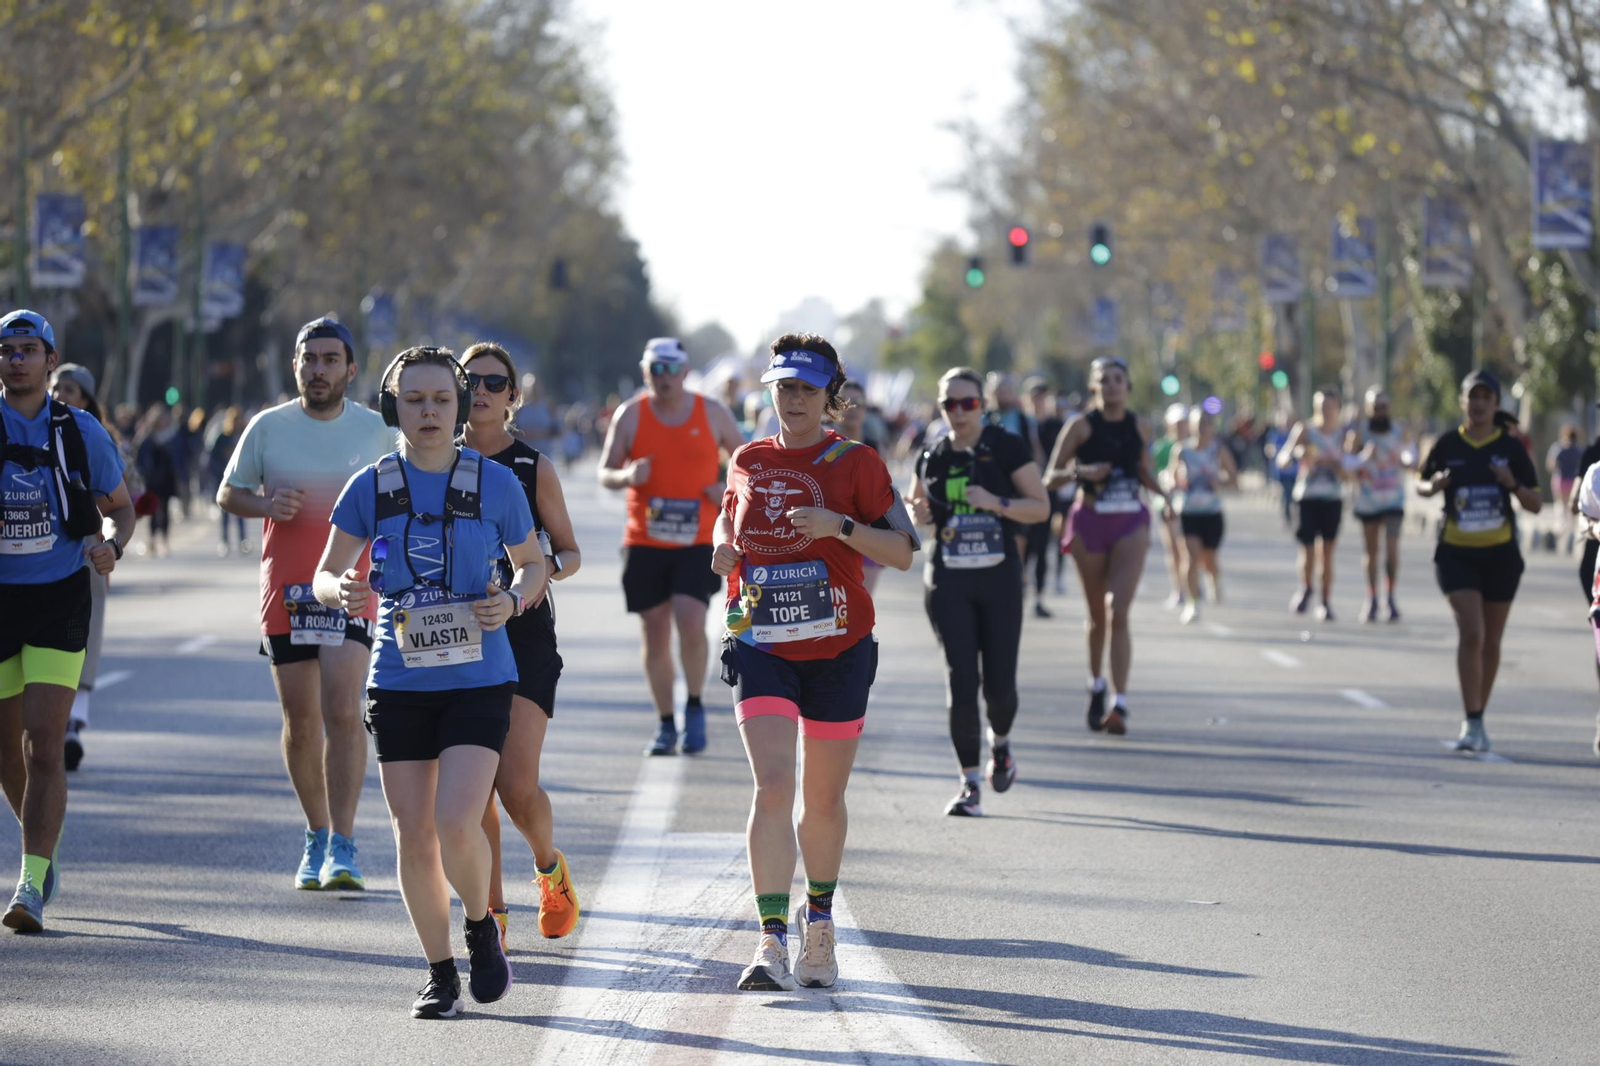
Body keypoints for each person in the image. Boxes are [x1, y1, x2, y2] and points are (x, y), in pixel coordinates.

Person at [315, 345, 542, 1018]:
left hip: (479, 678)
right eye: (413, 400)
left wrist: (514, 599)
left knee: (456, 819)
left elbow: (532, 564)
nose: (429, 412)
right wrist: (340, 591)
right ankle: (440, 974)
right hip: (399, 681)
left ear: (461, 404)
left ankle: (479, 925)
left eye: (442, 399)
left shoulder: (496, 484)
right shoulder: (371, 486)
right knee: (413, 833)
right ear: (394, 408)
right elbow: (325, 573)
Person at [713, 333, 917, 991]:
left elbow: (904, 550)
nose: (793, 399)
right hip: (761, 642)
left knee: (823, 799)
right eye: (784, 387)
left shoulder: (857, 462)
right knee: (773, 786)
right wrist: (721, 548)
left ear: (830, 396)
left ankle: (820, 924)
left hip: (839, 648)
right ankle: (770, 937)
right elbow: (727, 521)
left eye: (806, 388)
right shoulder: (748, 457)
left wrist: (840, 527)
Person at [219, 317, 396, 891]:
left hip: (351, 590)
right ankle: (316, 832)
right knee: (300, 724)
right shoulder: (267, 426)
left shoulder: (377, 430)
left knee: (343, 710)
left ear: (350, 368)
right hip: (289, 593)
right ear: (295, 365)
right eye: (308, 359)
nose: (318, 369)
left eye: (329, 359)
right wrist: (266, 505)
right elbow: (228, 493)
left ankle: (343, 844)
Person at [0, 310, 135, 933]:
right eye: (7, 350)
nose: (16, 359)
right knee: (7, 750)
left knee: (44, 742)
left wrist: (113, 545)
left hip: (59, 598)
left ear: (50, 360)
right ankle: (42, 846)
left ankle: (29, 882)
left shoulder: (79, 430)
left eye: (28, 349)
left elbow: (121, 508)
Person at [459, 342, 583, 951]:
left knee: (514, 785)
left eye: (493, 382)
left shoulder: (533, 468)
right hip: (456, 638)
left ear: (513, 396)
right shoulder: (435, 460)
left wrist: (535, 571)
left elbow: (571, 552)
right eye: (470, 381)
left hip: (524, 634)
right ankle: (493, 919)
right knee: (472, 789)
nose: (480, 391)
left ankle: (549, 868)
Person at [908, 368, 1048, 816]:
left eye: (968, 403)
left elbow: (1040, 507)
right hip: (948, 579)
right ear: (941, 407)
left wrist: (996, 503)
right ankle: (969, 782)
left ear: (982, 405)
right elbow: (914, 512)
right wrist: (919, 515)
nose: (959, 411)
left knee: (1000, 690)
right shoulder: (932, 454)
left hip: (998, 577)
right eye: (950, 403)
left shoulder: (1006, 446)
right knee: (961, 680)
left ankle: (1000, 743)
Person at [598, 337, 745, 757]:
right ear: (646, 373)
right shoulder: (631, 414)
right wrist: (628, 476)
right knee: (655, 631)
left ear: (684, 372)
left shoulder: (711, 412)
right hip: (645, 539)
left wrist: (724, 488)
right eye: (655, 370)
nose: (664, 378)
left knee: (691, 620)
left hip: (696, 539)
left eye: (671, 369)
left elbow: (746, 463)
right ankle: (665, 722)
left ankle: (694, 706)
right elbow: (605, 471)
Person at [1044, 357, 1170, 736]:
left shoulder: (1140, 425)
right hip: (1089, 521)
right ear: (1093, 387)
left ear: (1128, 386)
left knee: (1120, 610)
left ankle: (1120, 702)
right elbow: (1049, 477)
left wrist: (1165, 497)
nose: (1112, 385)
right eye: (1104, 380)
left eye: (1118, 379)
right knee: (1097, 614)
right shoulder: (1080, 426)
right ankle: (1096, 684)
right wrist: (1081, 472)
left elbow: (1144, 469)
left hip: (1130, 520)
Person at [1416, 370, 1540, 754]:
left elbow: (1536, 503)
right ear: (1463, 401)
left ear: (1496, 403)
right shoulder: (1447, 443)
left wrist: (1511, 483)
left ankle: (1478, 718)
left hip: (1501, 555)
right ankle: (1470, 721)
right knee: (1473, 632)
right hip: (1456, 553)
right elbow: (1420, 482)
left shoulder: (1511, 448)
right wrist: (1434, 485)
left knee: (1492, 641)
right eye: (1473, 396)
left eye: (1486, 397)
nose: (1479, 404)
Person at [47, 363, 124, 772]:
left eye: (70, 389)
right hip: (30, 560)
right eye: (56, 386)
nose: (60, 394)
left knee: (83, 640)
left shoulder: (95, 436)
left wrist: (110, 543)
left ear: (87, 399)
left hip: (87, 553)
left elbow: (127, 498)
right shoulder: (27, 428)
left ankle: (72, 726)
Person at [1279, 388, 1346, 621]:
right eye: (1320, 407)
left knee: (1327, 554)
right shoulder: (1305, 430)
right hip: (1306, 496)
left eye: (1329, 407)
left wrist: (1336, 465)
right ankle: (1306, 587)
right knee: (1307, 551)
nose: (1325, 412)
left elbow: (1351, 468)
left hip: (1332, 498)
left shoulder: (1344, 435)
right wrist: (1298, 454)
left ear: (1337, 408)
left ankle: (1325, 601)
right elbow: (1283, 458)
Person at [1349, 388, 1411, 622]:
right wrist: (1364, 457)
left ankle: (1390, 596)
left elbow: (1410, 455)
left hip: (1394, 498)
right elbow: (1347, 463)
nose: (1380, 412)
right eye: (1375, 407)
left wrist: (1406, 460)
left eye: (1384, 407)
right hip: (1368, 499)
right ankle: (1372, 598)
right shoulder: (1359, 432)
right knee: (1371, 551)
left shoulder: (1398, 430)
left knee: (1392, 549)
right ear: (1368, 409)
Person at [1171, 406, 1237, 625]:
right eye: (1198, 423)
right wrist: (1175, 482)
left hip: (1212, 512)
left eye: (1206, 423)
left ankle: (1214, 578)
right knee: (1191, 557)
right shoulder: (1181, 450)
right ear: (1191, 426)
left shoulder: (1218, 451)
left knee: (1209, 560)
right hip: (1188, 511)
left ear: (1213, 427)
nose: (1202, 428)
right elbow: (1171, 478)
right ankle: (1193, 603)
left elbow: (1234, 479)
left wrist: (1220, 482)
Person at [835, 379, 886, 595]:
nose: (853, 408)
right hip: (832, 534)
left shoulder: (875, 448)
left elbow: (884, 494)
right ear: (833, 406)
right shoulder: (824, 445)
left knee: (862, 599)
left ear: (866, 409)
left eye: (859, 403)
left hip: (867, 534)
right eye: (846, 402)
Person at [1024, 378, 1064, 618]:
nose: (1038, 400)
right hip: (1021, 495)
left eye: (1042, 395)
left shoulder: (1054, 425)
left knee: (1041, 548)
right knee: (1022, 547)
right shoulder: (1019, 422)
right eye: (1034, 395)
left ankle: (1038, 598)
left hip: (1046, 495)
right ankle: (1019, 593)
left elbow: (1062, 460)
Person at [1151, 404, 1190, 611]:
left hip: (1189, 505)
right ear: (1169, 424)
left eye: (1184, 423)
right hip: (1165, 504)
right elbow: (1151, 472)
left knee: (1188, 549)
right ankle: (1178, 590)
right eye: (1177, 423)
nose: (1180, 427)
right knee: (1173, 549)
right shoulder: (1161, 448)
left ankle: (1191, 584)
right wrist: (1164, 479)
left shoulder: (1193, 446)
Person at [206, 406, 248, 555]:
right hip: (224, 479)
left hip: (241, 479)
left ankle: (243, 540)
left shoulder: (245, 435)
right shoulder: (223, 437)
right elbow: (212, 457)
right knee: (225, 511)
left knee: (241, 510)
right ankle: (224, 541)